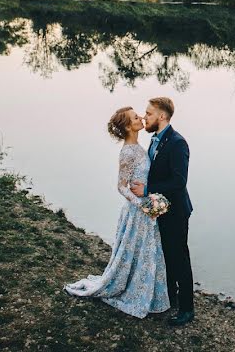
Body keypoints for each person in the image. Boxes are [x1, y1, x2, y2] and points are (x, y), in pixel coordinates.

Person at [63, 107, 170, 318]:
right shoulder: (128, 152)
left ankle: (148, 292)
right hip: (138, 211)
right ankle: (133, 290)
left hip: (146, 210)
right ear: (129, 126)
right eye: (135, 118)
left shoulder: (139, 147)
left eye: (139, 115)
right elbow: (121, 187)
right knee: (139, 252)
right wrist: (142, 204)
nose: (141, 118)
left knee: (146, 253)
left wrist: (150, 200)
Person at [130, 96, 195, 326]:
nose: (145, 117)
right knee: (164, 256)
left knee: (179, 258)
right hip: (159, 210)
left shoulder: (178, 143)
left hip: (176, 211)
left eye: (148, 114)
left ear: (162, 116)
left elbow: (178, 181)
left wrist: (147, 189)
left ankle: (187, 309)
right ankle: (170, 298)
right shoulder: (155, 140)